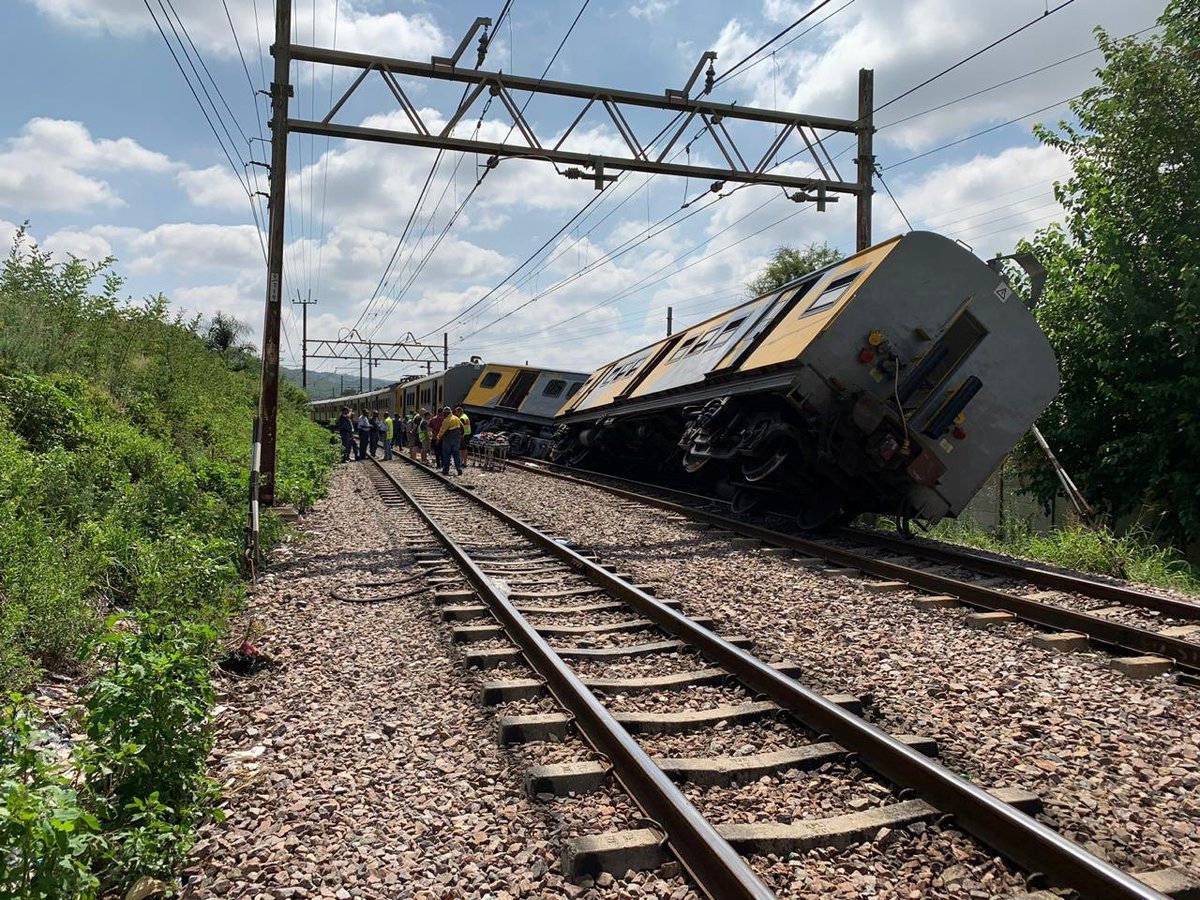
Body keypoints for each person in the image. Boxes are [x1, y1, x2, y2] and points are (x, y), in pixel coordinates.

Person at [437, 405, 465, 476]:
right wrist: (461, 436)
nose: (443, 414)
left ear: (446, 413)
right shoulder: (456, 418)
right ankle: (459, 469)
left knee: (446, 454)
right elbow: (462, 428)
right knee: (456, 454)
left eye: (444, 413)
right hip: (456, 439)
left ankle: (445, 470)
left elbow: (442, 431)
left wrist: (438, 438)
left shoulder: (446, 420)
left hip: (448, 439)